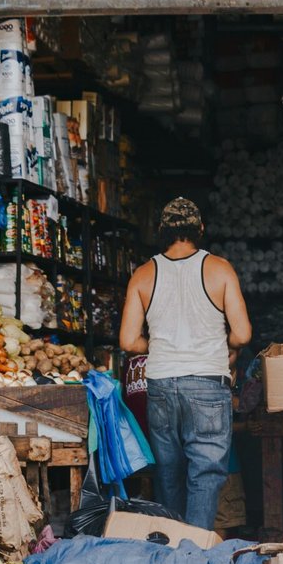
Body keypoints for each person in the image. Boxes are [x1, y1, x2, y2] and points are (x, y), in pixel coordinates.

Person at [119, 198, 252, 530]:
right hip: (207, 384)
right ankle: (194, 555)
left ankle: (173, 550)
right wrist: (227, 345)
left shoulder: (144, 274)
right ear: (201, 230)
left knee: (169, 473)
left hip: (161, 386)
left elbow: (128, 340)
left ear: (162, 233)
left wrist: (159, 344)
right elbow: (243, 333)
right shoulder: (220, 269)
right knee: (205, 475)